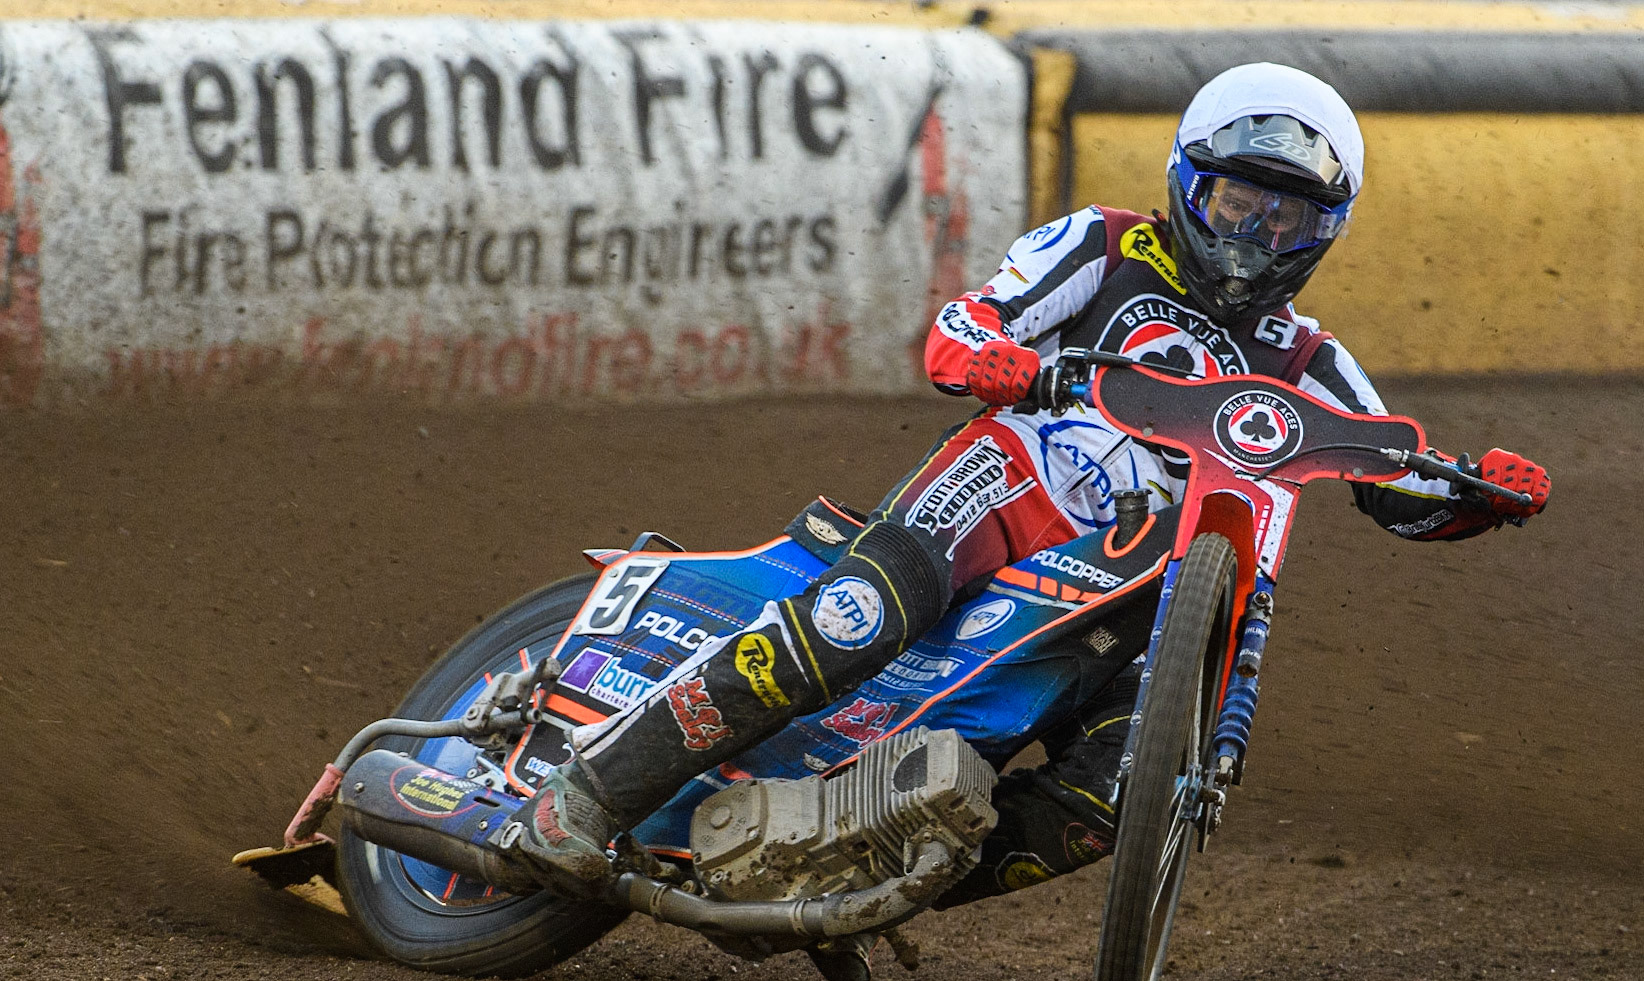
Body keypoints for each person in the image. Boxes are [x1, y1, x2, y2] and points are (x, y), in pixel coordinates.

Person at [504, 64, 1550, 917]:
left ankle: (851, 880)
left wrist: (1481, 492)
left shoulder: (1310, 358)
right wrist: (1005, 363)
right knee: (852, 619)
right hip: (1004, 486)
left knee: (1110, 796)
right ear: (1190, 184)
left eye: (1286, 220)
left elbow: (1396, 480)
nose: (1253, 238)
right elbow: (964, 326)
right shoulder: (1100, 246)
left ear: (1326, 229)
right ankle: (585, 795)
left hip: (1139, 584)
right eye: (1237, 204)